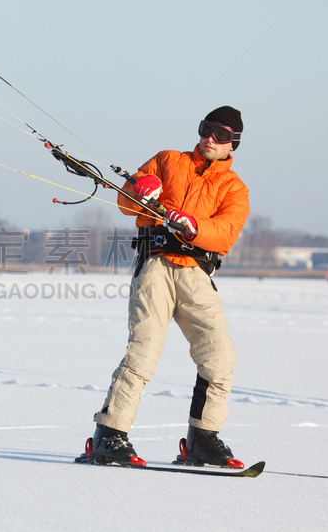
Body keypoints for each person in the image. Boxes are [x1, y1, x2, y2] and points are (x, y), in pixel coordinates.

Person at [90, 106, 250, 467]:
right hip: (156, 267)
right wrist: (138, 188)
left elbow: (225, 233)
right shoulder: (167, 160)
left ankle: (203, 439)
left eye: (221, 134)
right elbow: (125, 203)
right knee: (143, 352)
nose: (211, 138)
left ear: (232, 143)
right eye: (207, 129)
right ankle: (109, 435)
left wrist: (193, 225)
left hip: (196, 273)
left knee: (220, 357)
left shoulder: (234, 188)